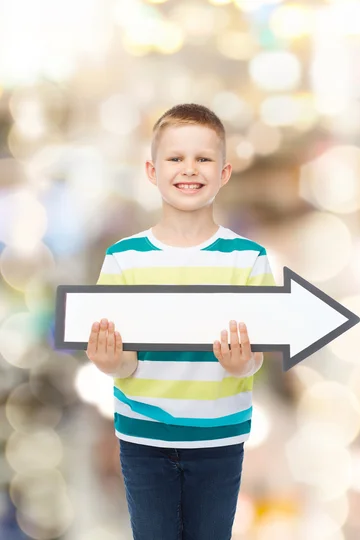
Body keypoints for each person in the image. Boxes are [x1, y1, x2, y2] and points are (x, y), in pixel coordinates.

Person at [85, 103, 276, 540]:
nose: (189, 169)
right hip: (143, 439)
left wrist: (240, 364)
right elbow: (122, 359)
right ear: (152, 171)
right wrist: (111, 362)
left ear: (224, 172)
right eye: (175, 158)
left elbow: (257, 357)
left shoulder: (249, 259)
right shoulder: (123, 258)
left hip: (220, 440)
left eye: (203, 158)